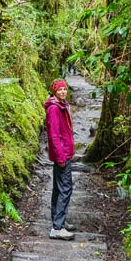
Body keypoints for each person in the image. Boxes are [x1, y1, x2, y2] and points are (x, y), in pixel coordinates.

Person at [44, 79, 75, 240]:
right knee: (65, 188)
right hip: (61, 155)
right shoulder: (54, 109)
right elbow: (54, 135)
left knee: (59, 188)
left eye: (65, 89)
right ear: (54, 92)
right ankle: (57, 227)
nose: (63, 92)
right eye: (60, 89)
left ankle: (58, 220)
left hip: (64, 153)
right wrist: (61, 156)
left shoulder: (61, 105)